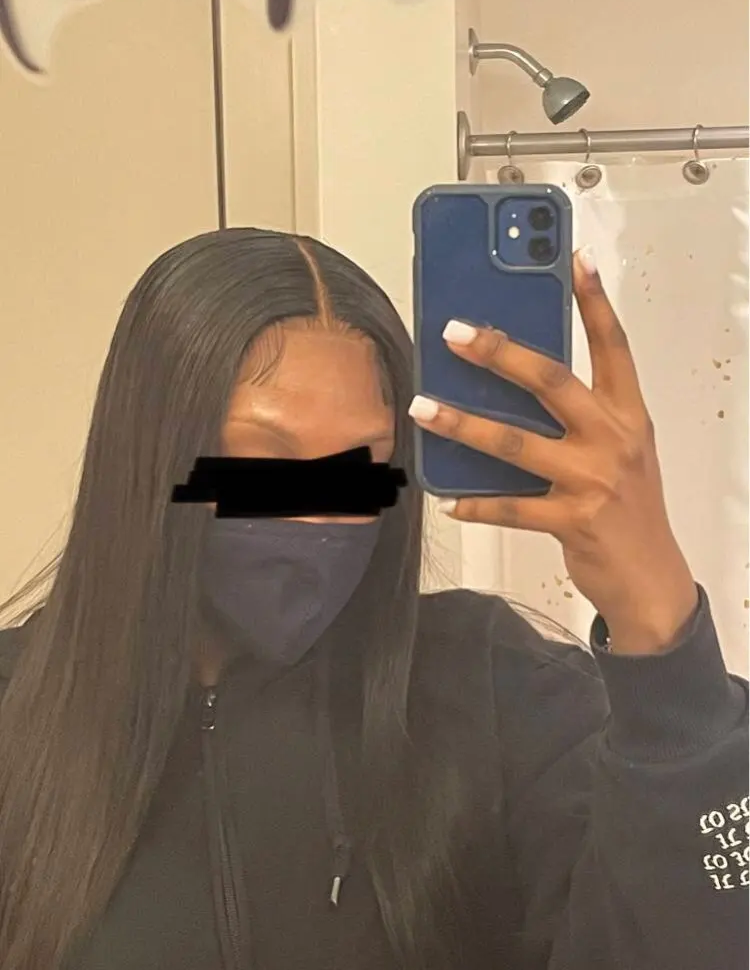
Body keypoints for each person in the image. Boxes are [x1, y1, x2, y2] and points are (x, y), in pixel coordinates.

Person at [0, 228, 746, 970]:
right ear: (148, 455)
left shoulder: (498, 692)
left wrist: (659, 632)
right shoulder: (17, 715)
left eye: (359, 466)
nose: (317, 514)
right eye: (266, 459)